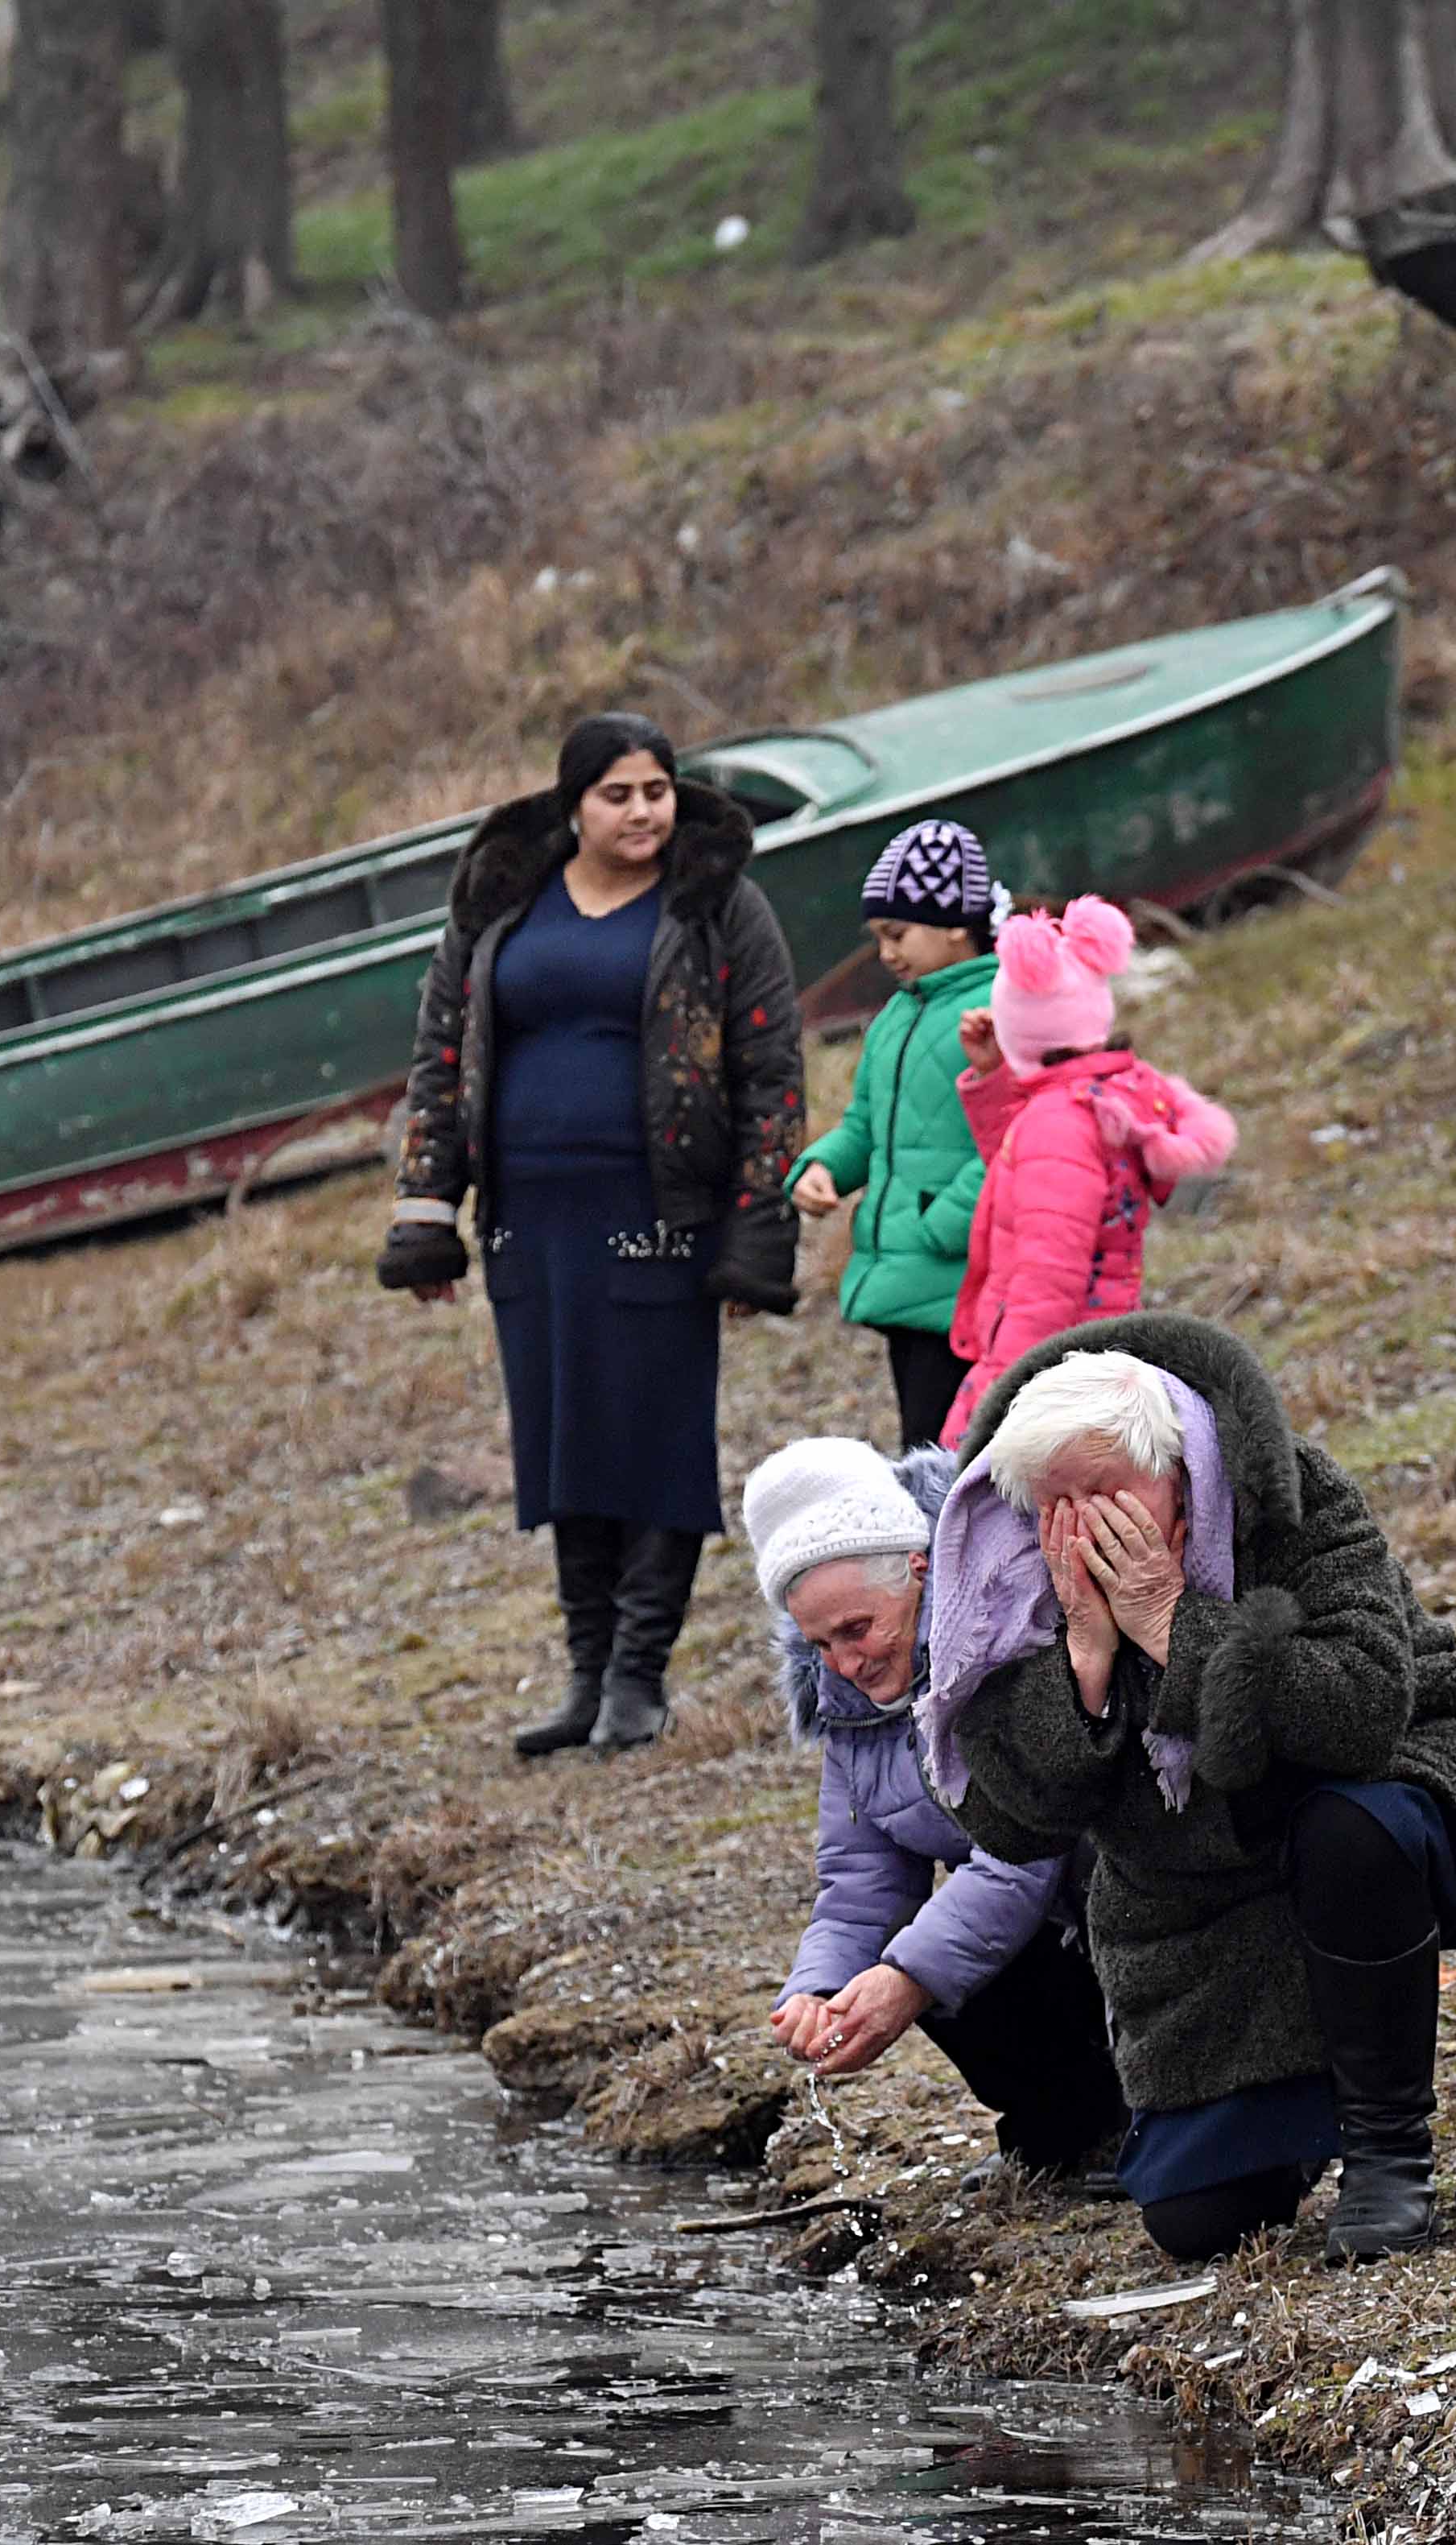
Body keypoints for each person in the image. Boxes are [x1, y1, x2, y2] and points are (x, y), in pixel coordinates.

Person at [916, 1322, 1456, 2265]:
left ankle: (1389, 2151)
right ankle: (1295, 2115)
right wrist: (1084, 1665)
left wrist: (1176, 1625)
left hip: (1395, 1783)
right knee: (1200, 2221)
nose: (1086, 1525)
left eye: (1108, 1493)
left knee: (1354, 1825)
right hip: (1200, 1891)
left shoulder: (1287, 1499)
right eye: (1060, 1502)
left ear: (1175, 1472)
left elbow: (1360, 1712)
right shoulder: (1010, 1571)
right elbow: (1009, 1821)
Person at [377, 713, 806, 1758]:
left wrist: (757, 1229)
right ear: (574, 804)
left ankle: (639, 1677)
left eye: (657, 790)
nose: (644, 812)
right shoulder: (502, 900)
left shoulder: (716, 904)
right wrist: (427, 1211)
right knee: (563, 1433)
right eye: (618, 794)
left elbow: (771, 1067)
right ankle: (583, 1671)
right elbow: (442, 1051)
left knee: (654, 1430)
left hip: (662, 1215)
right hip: (532, 1218)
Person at [744, 1436, 1127, 2183]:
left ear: (918, 1568)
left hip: (1117, 1899)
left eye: (858, 1629)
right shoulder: (851, 1704)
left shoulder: (1003, 1638)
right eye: (820, 1644)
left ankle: (1141, 2111)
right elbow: (860, 1884)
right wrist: (816, 1992)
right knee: (905, 1944)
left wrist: (906, 1979)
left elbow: (1023, 1854)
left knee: (926, 1955)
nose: (847, 1662)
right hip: (1046, 1928)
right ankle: (1061, 2128)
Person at [938, 898, 1235, 1444]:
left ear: (1017, 1030)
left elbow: (1046, 1279)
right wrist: (995, 1077)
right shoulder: (1101, 1098)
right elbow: (1025, 1176)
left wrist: (997, 1395)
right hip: (1097, 1344)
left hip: (1055, 1373)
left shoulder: (1058, 1123)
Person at [787, 820, 1003, 1453]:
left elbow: (1017, 1134)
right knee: (923, 1443)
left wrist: (945, 1223)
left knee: (963, 1449)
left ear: (957, 924)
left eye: (897, 933)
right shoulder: (897, 1017)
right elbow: (866, 1123)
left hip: (964, 1279)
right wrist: (823, 1165)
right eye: (878, 936)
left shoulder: (1002, 1007)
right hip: (908, 1280)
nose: (885, 952)